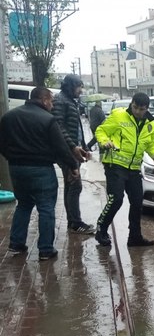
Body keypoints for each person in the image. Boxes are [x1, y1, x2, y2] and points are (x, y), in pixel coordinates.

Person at [0, 87, 80, 260]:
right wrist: (73, 165)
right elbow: (61, 147)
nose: (52, 105)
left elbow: (2, 144)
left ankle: (16, 244)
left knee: (23, 204)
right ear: (44, 100)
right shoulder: (48, 120)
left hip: (17, 168)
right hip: (41, 169)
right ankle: (45, 249)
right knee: (46, 208)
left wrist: (12, 158)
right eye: (51, 101)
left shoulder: (9, 117)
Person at [94, 92, 154, 247]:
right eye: (135, 107)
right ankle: (101, 229)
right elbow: (101, 130)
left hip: (133, 168)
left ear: (147, 108)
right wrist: (105, 141)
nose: (138, 111)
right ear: (131, 104)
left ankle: (135, 237)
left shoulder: (150, 123)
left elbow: (150, 143)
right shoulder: (119, 116)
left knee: (138, 202)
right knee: (116, 199)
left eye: (142, 109)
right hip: (115, 165)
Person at [52, 74, 94, 234]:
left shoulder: (69, 101)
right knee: (75, 185)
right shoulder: (60, 100)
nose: (81, 90)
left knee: (71, 185)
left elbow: (76, 128)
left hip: (71, 149)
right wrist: (72, 147)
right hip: (66, 151)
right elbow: (59, 127)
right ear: (70, 86)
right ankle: (75, 223)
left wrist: (83, 146)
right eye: (79, 86)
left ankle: (73, 222)